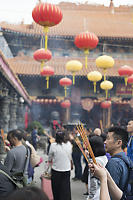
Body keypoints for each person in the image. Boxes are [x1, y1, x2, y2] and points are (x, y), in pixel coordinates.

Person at [105, 126, 131, 192]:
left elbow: (111, 193)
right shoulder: (126, 159)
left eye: (108, 139)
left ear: (118, 143)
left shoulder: (114, 163)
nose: (105, 142)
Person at [48, 130, 72, 200]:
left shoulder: (53, 146)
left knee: (56, 189)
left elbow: (50, 158)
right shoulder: (69, 144)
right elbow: (70, 156)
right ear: (64, 137)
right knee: (66, 189)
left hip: (56, 170)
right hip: (66, 170)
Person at [85, 135, 108, 200]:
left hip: (97, 195)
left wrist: (90, 197)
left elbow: (93, 182)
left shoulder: (96, 161)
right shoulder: (104, 157)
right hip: (103, 192)